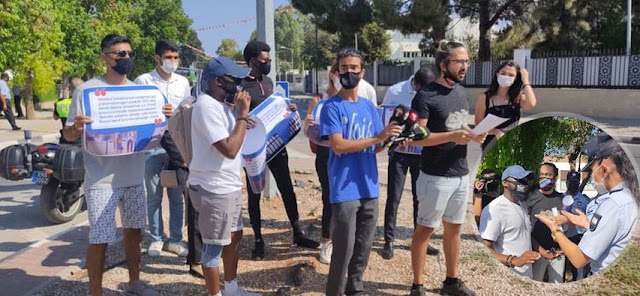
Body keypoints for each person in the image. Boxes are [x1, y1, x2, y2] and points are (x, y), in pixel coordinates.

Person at [63, 34, 172, 296]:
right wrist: (77, 128)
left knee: (134, 232)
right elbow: (67, 135)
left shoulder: (141, 93)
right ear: (104, 56)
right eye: (119, 54)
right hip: (101, 180)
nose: (125, 58)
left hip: (134, 176)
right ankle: (95, 291)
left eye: (129, 54)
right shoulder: (86, 91)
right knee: (100, 238)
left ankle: (135, 282)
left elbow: (156, 131)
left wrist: (164, 116)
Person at [407, 40, 486, 296]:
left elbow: (458, 127)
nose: (465, 66)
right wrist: (453, 136)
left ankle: (451, 282)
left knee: (454, 229)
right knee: (425, 230)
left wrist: (474, 134)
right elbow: (418, 137)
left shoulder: (460, 91)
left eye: (466, 61)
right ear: (444, 65)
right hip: (435, 176)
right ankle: (417, 287)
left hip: (461, 173)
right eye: (459, 61)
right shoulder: (425, 96)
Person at [321, 48, 402, 296]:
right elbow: (338, 145)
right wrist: (376, 137)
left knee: (364, 246)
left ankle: (355, 288)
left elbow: (376, 146)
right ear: (337, 72)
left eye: (354, 68)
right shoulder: (331, 107)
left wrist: (389, 138)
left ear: (362, 72)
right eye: (344, 68)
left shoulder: (369, 106)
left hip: (369, 186)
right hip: (345, 188)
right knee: (343, 250)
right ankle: (334, 292)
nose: (349, 72)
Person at [240, 40, 319, 260]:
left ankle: (297, 232)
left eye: (269, 60)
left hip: (276, 146)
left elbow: (274, 108)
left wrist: (288, 108)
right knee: (255, 194)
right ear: (252, 61)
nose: (267, 63)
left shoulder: (268, 81)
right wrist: (242, 120)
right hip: (255, 150)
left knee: (287, 188)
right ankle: (258, 240)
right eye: (264, 60)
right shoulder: (241, 85)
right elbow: (235, 114)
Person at [188, 56, 260, 296]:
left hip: (227, 186)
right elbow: (229, 150)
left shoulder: (220, 105)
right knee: (213, 247)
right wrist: (241, 115)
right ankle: (215, 293)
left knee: (234, 236)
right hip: (213, 188)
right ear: (219, 81)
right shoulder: (205, 106)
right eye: (235, 79)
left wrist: (239, 120)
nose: (239, 84)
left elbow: (232, 138)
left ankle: (231, 288)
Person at [536, 134, 639, 275]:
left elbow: (579, 259)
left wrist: (554, 228)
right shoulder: (628, 195)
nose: (592, 176)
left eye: (591, 171)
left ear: (604, 169)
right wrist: (586, 224)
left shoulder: (613, 204)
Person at [134, 39, 191, 258]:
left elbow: (187, 111)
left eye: (176, 58)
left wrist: (182, 110)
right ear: (157, 58)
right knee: (154, 193)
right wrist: (156, 111)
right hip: (152, 144)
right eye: (168, 58)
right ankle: (156, 238)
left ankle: (175, 239)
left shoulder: (182, 82)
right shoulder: (143, 81)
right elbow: (137, 111)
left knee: (176, 195)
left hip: (176, 146)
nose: (173, 62)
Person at [380, 68, 440, 260]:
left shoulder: (432, 92)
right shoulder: (395, 91)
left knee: (420, 198)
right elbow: (386, 120)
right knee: (394, 197)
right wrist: (396, 136)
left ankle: (420, 239)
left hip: (421, 154)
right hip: (399, 153)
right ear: (415, 83)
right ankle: (389, 240)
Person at [479, 165, 541, 279]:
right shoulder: (495, 209)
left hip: (526, 276)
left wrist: (544, 252)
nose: (524, 184)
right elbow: (484, 248)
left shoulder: (521, 205)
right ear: (504, 183)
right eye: (520, 180)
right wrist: (513, 260)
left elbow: (523, 234)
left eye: (526, 181)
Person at [474, 61, 537, 150]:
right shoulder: (485, 98)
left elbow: (531, 104)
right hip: (491, 146)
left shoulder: (517, 98)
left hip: (511, 145)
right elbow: (478, 127)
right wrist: (495, 132)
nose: (506, 77)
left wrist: (526, 82)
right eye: (503, 73)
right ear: (497, 74)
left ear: (516, 78)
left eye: (511, 75)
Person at [526, 162, 566, 283]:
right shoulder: (530, 197)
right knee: (535, 285)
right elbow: (525, 228)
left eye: (548, 175)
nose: (544, 178)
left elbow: (566, 227)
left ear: (555, 178)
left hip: (558, 253)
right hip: (538, 252)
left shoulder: (561, 199)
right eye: (542, 175)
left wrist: (563, 248)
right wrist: (543, 252)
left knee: (557, 287)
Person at [562, 171, 591, 281]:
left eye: (575, 182)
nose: (572, 185)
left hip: (578, 238)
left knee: (577, 267)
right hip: (562, 237)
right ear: (566, 183)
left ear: (578, 183)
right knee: (561, 265)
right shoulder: (560, 198)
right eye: (570, 182)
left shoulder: (585, 201)